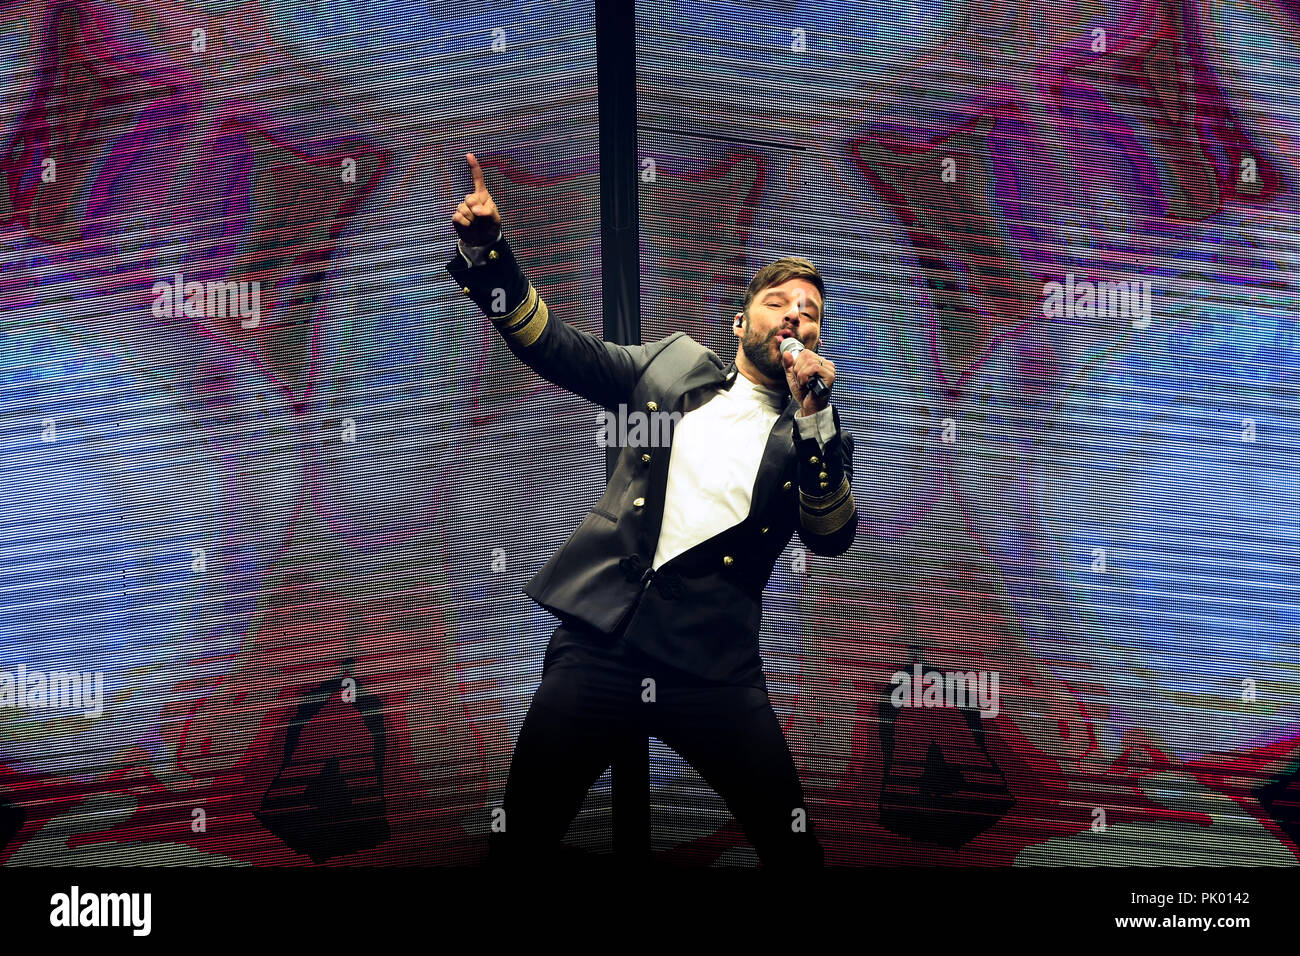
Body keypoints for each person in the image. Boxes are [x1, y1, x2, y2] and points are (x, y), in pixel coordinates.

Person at [448, 152, 857, 867]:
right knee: (518, 840)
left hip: (713, 666)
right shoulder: (671, 366)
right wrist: (490, 258)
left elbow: (830, 534)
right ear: (740, 323)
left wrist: (817, 414)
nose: (796, 315)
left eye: (811, 313)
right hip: (601, 644)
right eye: (779, 302)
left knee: (796, 850)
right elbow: (557, 348)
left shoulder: (810, 434)